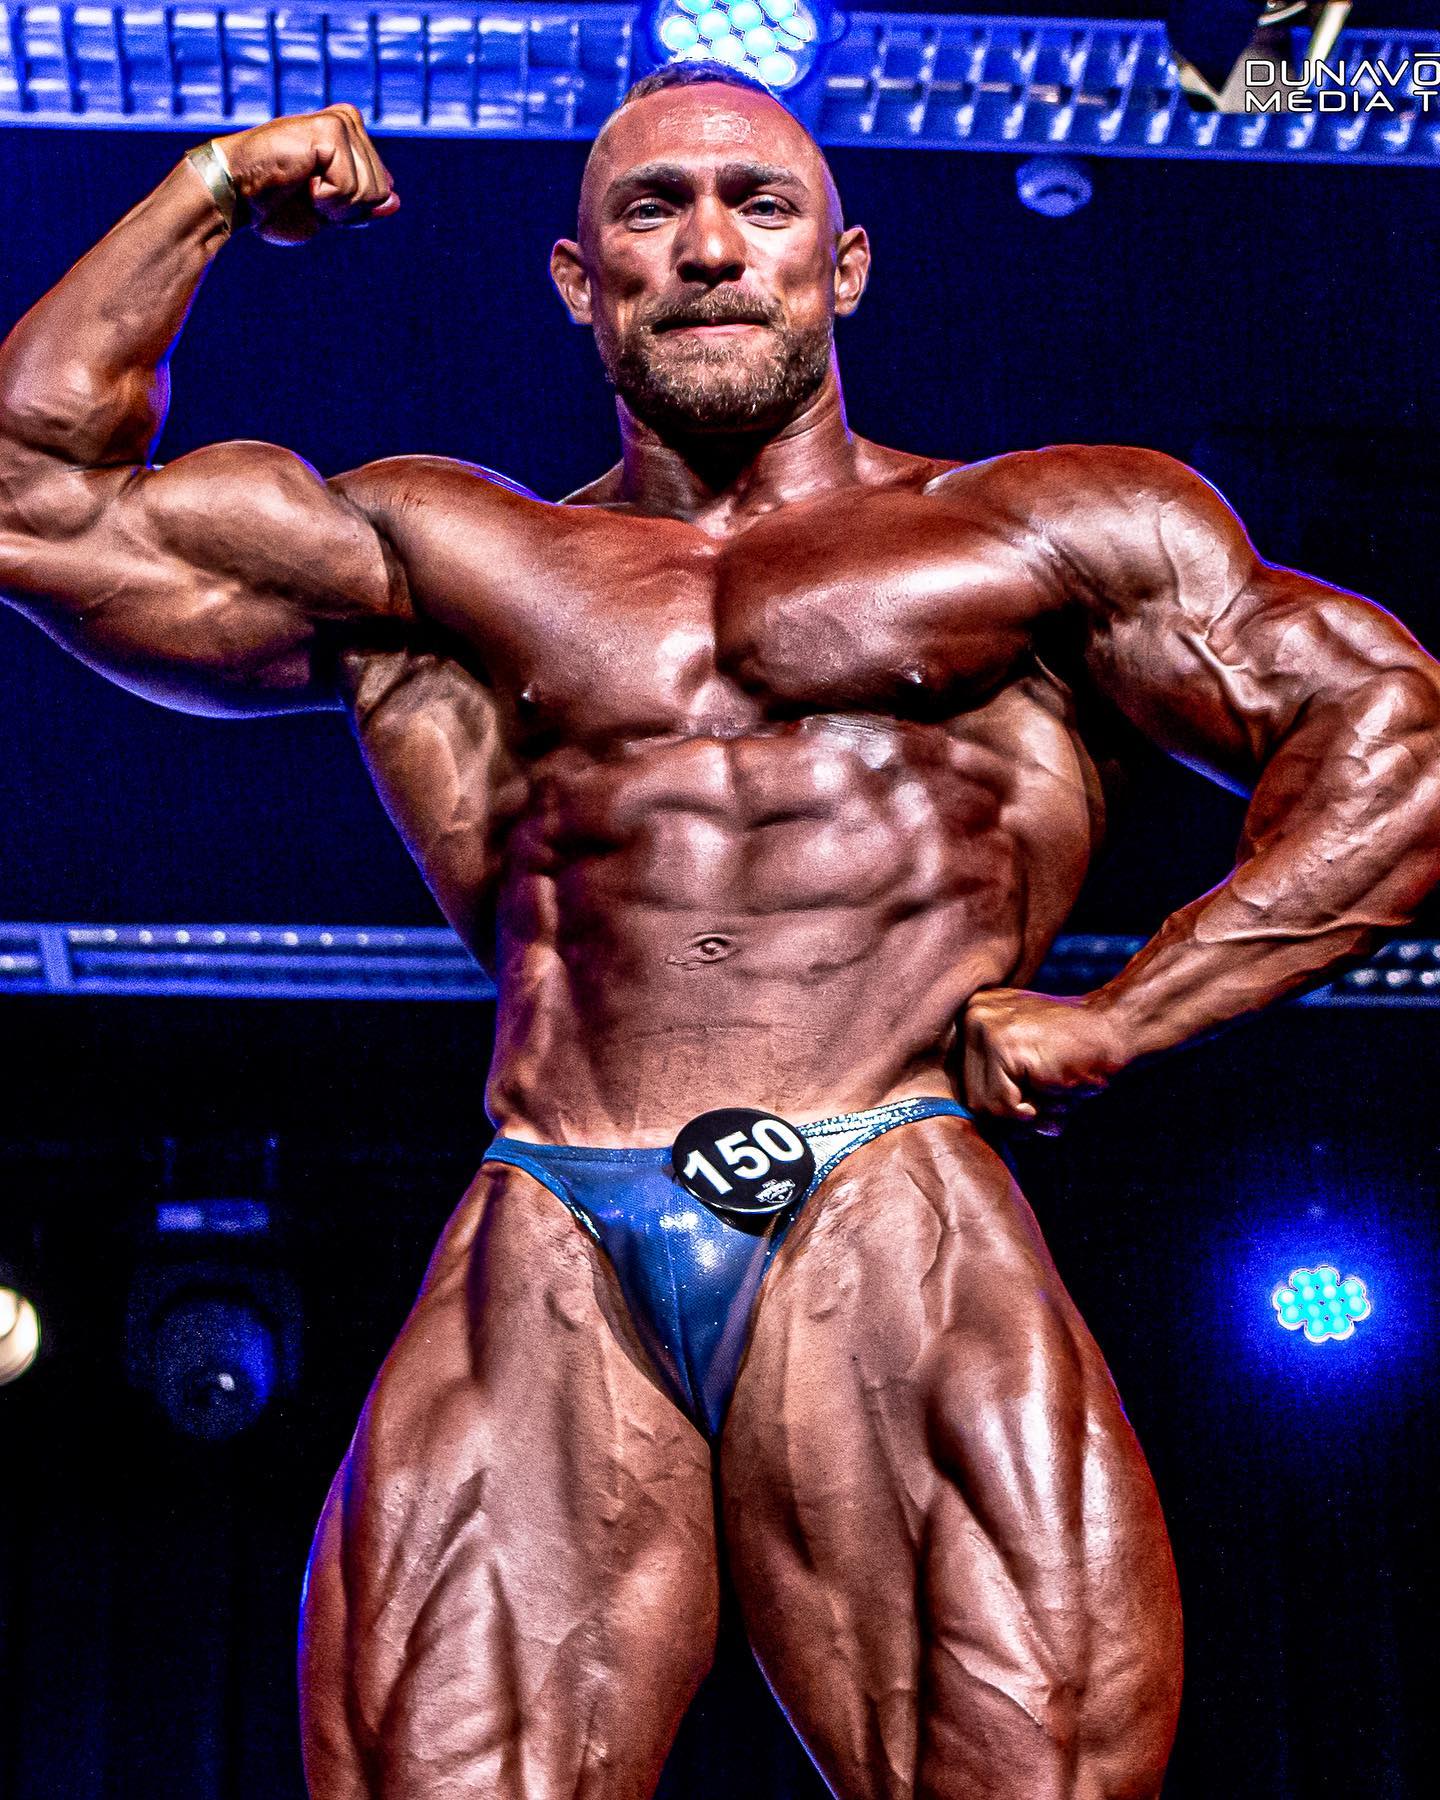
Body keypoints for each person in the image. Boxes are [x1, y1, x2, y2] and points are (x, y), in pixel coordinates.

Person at [1, 62, 1437, 1800]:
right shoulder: (451, 557)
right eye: (650, 209)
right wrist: (213, 185)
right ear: (577, 277)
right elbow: (33, 500)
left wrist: (1135, 1012)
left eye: (759, 205)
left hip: (889, 1186)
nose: (705, 247)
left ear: (845, 266)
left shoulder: (1042, 535)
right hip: (553, 1210)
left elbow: (1392, 735)